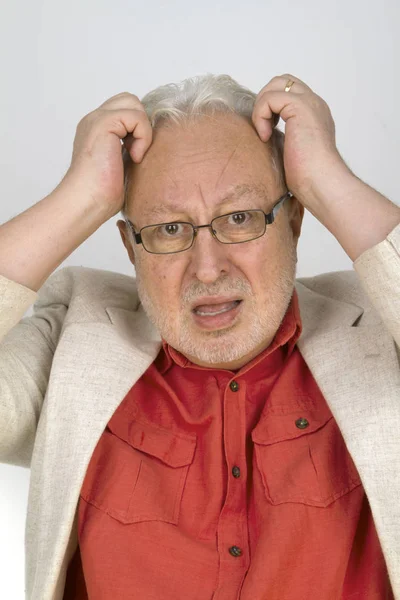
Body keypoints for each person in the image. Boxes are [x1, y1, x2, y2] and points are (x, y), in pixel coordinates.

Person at [0, 73, 399, 600]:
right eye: (168, 229)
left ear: (295, 221)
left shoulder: (379, 325)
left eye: (240, 217)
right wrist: (78, 200)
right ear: (129, 246)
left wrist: (328, 179)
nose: (207, 269)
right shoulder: (75, 336)